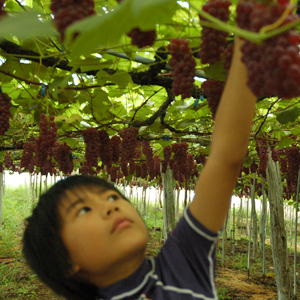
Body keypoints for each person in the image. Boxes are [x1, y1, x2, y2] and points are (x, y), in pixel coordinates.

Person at [22, 36, 256, 300]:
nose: (111, 206)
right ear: (65, 263)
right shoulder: (181, 269)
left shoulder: (183, 261)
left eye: (112, 197)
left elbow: (225, 159)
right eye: (84, 209)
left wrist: (248, 42)